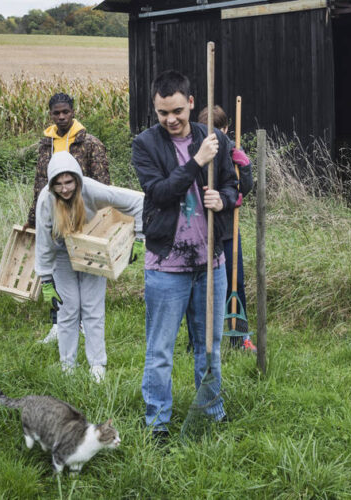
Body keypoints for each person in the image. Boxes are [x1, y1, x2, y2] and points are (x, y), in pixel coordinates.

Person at [132, 70, 239, 439]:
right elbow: (159, 192)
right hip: (166, 266)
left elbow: (234, 183)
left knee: (209, 348)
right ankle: (157, 423)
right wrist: (196, 162)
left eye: (177, 110)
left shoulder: (216, 140)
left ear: (191, 102)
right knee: (160, 350)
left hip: (211, 263)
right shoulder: (145, 144)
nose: (171, 119)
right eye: (163, 113)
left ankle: (211, 413)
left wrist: (222, 198)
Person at [34, 151, 143, 383]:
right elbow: (43, 242)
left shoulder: (91, 189)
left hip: (92, 248)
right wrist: (45, 280)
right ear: (52, 184)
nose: (65, 189)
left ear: (77, 179)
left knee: (93, 309)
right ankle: (67, 366)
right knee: (67, 309)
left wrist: (140, 238)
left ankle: (97, 365)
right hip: (63, 253)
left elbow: (137, 201)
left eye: (69, 182)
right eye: (59, 184)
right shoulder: (46, 200)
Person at [25, 92, 112, 344]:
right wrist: (33, 217)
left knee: (83, 269)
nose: (61, 116)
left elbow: (103, 183)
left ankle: (85, 322)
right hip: (56, 218)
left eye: (65, 112)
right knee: (57, 270)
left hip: (84, 219)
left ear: (73, 112)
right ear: (50, 114)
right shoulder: (45, 144)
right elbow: (40, 183)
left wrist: (101, 222)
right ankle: (59, 323)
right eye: (56, 113)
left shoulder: (90, 143)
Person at [192, 105, 256, 352]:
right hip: (199, 230)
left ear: (226, 129)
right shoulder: (195, 152)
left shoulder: (232, 151)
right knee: (200, 285)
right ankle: (199, 340)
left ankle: (239, 338)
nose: (215, 136)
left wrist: (246, 167)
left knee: (235, 282)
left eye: (219, 130)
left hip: (228, 230)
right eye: (210, 131)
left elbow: (244, 188)